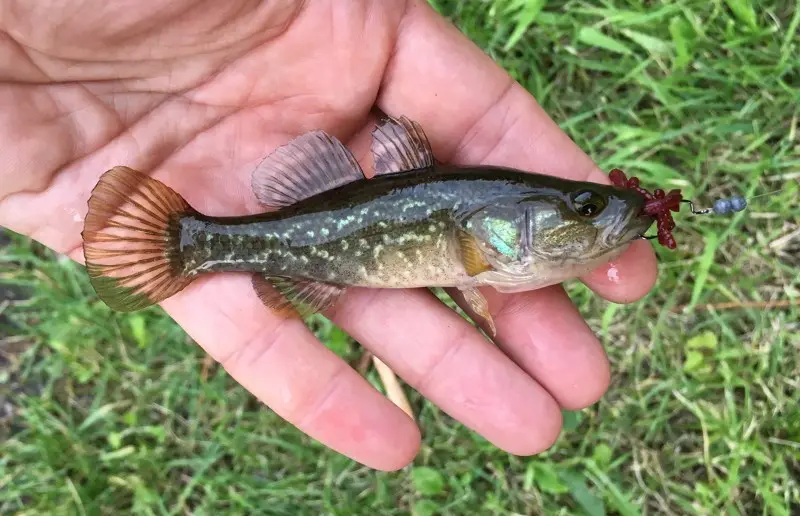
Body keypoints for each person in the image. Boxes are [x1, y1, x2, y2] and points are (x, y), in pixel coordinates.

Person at [0, 0, 657, 471]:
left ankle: (197, 243)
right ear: (508, 226)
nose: (602, 218)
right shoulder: (483, 243)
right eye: (585, 209)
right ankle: (194, 243)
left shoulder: (490, 242)